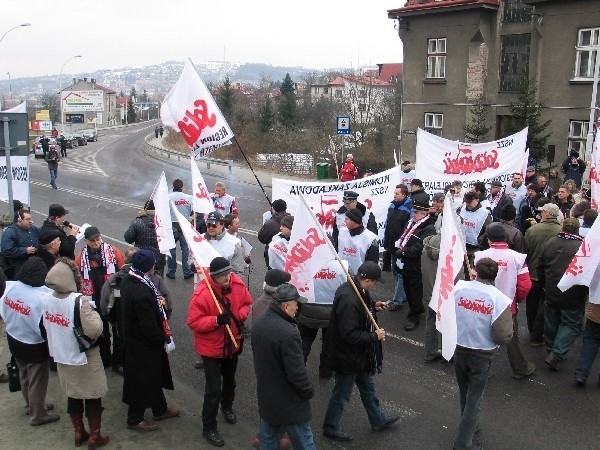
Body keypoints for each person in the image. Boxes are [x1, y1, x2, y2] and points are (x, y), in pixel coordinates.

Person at [322, 261, 399, 441]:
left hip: (358, 356)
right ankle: (330, 427)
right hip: (347, 357)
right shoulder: (349, 298)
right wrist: (374, 336)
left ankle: (378, 419)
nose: (374, 285)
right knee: (341, 394)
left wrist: (374, 304)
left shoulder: (356, 288)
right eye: (374, 282)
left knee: (368, 388)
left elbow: (363, 304)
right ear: (368, 280)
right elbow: (348, 334)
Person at [43, 257, 109, 448]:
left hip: (61, 354)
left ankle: (78, 431)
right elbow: (95, 329)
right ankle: (94, 436)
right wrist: (96, 315)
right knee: (93, 394)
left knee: (73, 394)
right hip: (84, 356)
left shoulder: (47, 298)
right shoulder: (78, 301)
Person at [187, 256, 252, 447]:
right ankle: (209, 426)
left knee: (230, 381)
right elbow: (193, 322)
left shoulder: (238, 284)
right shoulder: (202, 294)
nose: (228, 278)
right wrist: (215, 321)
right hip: (211, 348)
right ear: (214, 277)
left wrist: (239, 316)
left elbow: (247, 303)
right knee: (213, 389)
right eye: (223, 276)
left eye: (229, 274)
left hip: (232, 343)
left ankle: (227, 406)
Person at [452, 258, 513, 450]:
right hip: (482, 353)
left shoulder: (459, 288)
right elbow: (504, 335)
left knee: (465, 392)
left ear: (476, 272)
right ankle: (462, 443)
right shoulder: (499, 299)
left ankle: (470, 426)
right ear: (496, 275)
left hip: (459, 347)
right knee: (474, 399)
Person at [120, 249, 180, 432]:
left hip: (134, 339)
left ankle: (159, 408)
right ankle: (134, 418)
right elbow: (147, 325)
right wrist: (161, 338)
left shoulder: (131, 279)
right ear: (149, 267)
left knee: (153, 376)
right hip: (143, 345)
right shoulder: (141, 292)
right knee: (141, 380)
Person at [252, 283, 316, 450]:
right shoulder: (289, 332)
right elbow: (297, 373)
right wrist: (308, 391)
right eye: (296, 304)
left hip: (268, 397)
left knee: (268, 440)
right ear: (286, 306)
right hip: (290, 403)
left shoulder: (260, 322)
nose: (298, 308)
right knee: (304, 443)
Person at [0, 257, 58, 426]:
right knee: (37, 381)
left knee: (24, 375)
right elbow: (44, 327)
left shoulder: (10, 287)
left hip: (14, 337)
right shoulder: (43, 297)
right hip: (33, 344)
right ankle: (38, 415)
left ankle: (31, 405)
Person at [100, 247, 173, 377]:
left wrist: (113, 321)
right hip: (146, 336)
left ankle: (119, 365)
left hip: (121, 325)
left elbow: (105, 304)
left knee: (120, 344)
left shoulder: (115, 279)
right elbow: (166, 301)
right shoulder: (154, 280)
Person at [475, 225, 534, 379]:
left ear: (489, 239)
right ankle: (520, 369)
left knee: (483, 338)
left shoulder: (479, 256)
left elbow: (474, 281)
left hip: (483, 304)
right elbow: (525, 285)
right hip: (507, 307)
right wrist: (517, 300)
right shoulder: (517, 257)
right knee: (511, 339)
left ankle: (481, 370)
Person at [538, 218, 588, 371]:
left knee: (551, 321)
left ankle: (552, 349)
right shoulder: (583, 247)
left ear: (562, 228)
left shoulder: (550, 243)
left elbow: (540, 266)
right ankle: (556, 354)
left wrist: (544, 284)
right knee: (571, 323)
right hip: (574, 293)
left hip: (552, 289)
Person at [75, 226, 125, 368]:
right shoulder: (80, 258)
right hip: (94, 300)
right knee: (101, 331)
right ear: (86, 241)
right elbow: (77, 278)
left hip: (113, 297)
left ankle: (118, 361)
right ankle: (105, 359)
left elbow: (122, 272)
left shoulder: (114, 252)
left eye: (98, 239)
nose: (96, 242)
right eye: (92, 240)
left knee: (117, 330)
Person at [524, 203, 562, 347]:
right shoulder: (561, 230)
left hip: (533, 273)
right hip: (552, 274)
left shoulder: (533, 230)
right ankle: (539, 333)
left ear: (547, 214)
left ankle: (532, 328)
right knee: (545, 304)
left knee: (532, 303)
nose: (540, 213)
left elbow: (525, 249)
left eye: (542, 211)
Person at [396, 200, 437, 331]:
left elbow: (420, 247)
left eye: (416, 212)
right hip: (406, 263)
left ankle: (414, 315)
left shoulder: (428, 228)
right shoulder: (412, 223)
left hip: (416, 265)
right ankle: (417, 308)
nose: (413, 214)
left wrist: (404, 252)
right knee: (407, 287)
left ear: (424, 213)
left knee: (415, 290)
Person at [383, 184, 413, 311]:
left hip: (401, 247)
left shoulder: (409, 210)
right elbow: (388, 226)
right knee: (396, 272)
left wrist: (403, 247)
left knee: (399, 273)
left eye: (397, 194)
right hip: (391, 245)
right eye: (394, 193)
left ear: (404, 195)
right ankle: (402, 295)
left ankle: (397, 300)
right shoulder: (391, 206)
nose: (394, 195)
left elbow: (408, 230)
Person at [124, 199, 166, 276]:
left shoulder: (137, 222)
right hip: (158, 260)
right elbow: (175, 235)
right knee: (158, 285)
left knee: (141, 284)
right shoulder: (163, 222)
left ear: (145, 209)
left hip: (141, 259)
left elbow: (128, 238)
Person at [336, 208, 378, 275]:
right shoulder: (342, 232)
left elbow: (372, 263)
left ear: (354, 221)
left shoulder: (370, 238)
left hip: (359, 278)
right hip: (341, 275)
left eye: (347, 219)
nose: (344, 221)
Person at [167, 179, 194, 280]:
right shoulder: (189, 198)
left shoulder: (168, 197)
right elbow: (192, 212)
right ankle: (186, 271)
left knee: (172, 249)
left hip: (172, 225)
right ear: (182, 187)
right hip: (184, 225)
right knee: (185, 249)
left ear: (173, 186)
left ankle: (171, 271)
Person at [203, 211, 246, 275]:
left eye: (214, 225)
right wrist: (193, 264)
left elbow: (238, 271)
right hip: (202, 283)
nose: (211, 228)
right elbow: (191, 257)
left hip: (223, 284)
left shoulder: (233, 243)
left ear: (222, 225)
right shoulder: (199, 239)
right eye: (208, 225)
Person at [0, 208, 40, 280]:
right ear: (19, 219)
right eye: (27, 219)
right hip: (18, 270)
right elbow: (6, 251)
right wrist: (25, 250)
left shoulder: (32, 229)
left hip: (32, 268)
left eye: (30, 219)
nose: (31, 221)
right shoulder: (10, 233)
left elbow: (42, 234)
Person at [458, 191, 492, 272]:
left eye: (470, 202)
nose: (468, 204)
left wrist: (480, 242)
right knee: (463, 269)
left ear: (477, 200)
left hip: (476, 247)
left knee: (473, 270)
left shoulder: (484, 213)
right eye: (466, 202)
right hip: (463, 245)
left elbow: (487, 230)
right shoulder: (462, 209)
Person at [258, 199, 290, 269]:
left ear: (274, 209)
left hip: (273, 254)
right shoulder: (291, 220)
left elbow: (262, 238)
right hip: (288, 256)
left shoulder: (270, 223)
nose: (281, 228)